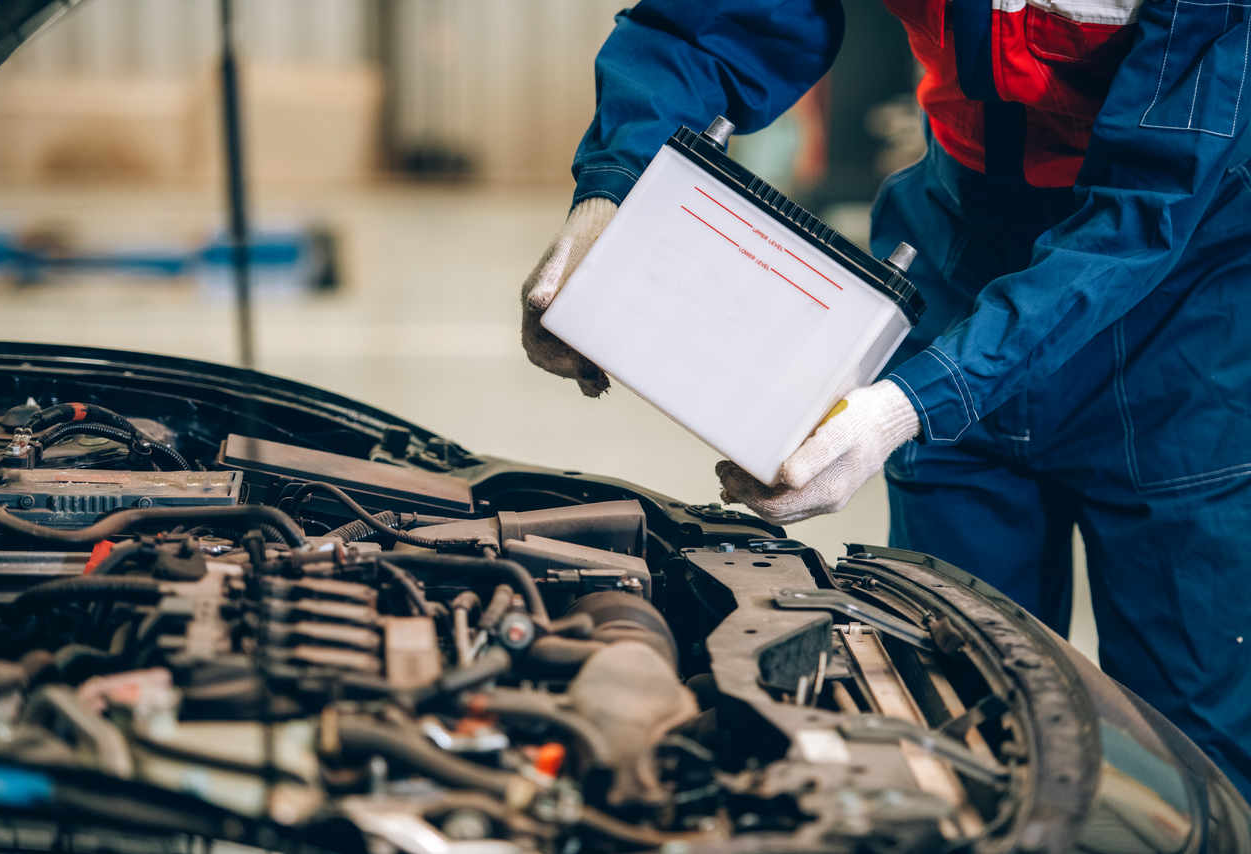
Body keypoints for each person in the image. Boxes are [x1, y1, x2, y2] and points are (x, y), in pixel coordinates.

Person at [518, 0, 1251, 800]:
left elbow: (1149, 209)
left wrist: (905, 406)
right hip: (958, 256)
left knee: (1189, 757)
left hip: (1177, 324)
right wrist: (612, 194)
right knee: (959, 720)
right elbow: (708, 25)